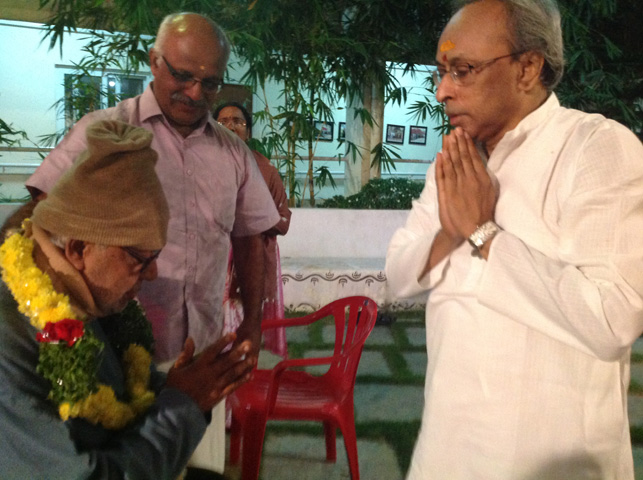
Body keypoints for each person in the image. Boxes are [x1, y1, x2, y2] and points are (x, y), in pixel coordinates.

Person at [385, 0, 643, 478]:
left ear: (527, 68)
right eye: (441, 72)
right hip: (443, 451)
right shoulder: (457, 162)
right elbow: (398, 278)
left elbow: (614, 319)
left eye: (462, 70)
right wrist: (452, 228)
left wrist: (486, 236)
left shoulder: (595, 147)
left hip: (545, 463)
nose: (442, 90)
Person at [25, 13, 280, 473]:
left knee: (197, 466)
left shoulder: (234, 153)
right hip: (112, 357)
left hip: (201, 349)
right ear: (154, 62)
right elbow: (39, 215)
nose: (196, 93)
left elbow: (251, 238)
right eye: (183, 76)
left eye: (211, 83)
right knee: (130, 465)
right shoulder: (104, 133)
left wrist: (254, 323)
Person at [0, 119, 255, 479]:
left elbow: (123, 405)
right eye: (139, 259)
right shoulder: (10, 340)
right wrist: (183, 406)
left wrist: (178, 388)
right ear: (78, 248)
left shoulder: (88, 301)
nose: (151, 274)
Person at [213, 101, 291, 358]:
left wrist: (248, 222)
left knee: (245, 318)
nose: (230, 126)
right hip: (214, 257)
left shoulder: (265, 168)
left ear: (248, 132)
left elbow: (282, 219)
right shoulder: (202, 167)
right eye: (223, 121)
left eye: (238, 121)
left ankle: (244, 370)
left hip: (254, 255)